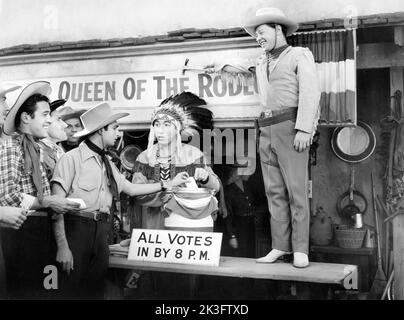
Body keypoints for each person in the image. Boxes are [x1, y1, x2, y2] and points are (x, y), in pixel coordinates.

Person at [205, 7, 320, 268]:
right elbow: (240, 68)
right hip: (265, 129)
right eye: (255, 34)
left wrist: (304, 128)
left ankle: (300, 249)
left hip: (290, 127)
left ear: (278, 29)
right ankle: (280, 246)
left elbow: (311, 92)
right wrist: (219, 66)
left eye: (262, 31)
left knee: (296, 192)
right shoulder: (261, 62)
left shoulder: (299, 55)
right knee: (274, 192)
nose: (258, 37)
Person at [51, 102, 189, 299]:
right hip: (77, 230)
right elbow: (56, 205)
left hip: (100, 232)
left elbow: (131, 189)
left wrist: (167, 184)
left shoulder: (106, 161)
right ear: (101, 130)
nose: (118, 133)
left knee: (95, 292)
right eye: (115, 128)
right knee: (72, 292)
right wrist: (63, 246)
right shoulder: (71, 159)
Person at [0, 81, 81, 299]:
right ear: (26, 118)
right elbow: (8, 197)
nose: (49, 120)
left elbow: (45, 195)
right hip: (18, 235)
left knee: (45, 291)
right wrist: (46, 202)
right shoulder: (10, 146)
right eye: (45, 115)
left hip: (39, 234)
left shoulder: (36, 148)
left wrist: (50, 202)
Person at [132, 91, 220, 232]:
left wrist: (206, 178)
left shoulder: (194, 154)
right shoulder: (145, 157)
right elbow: (137, 194)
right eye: (157, 124)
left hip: (185, 223)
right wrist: (169, 192)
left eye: (167, 124)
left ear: (179, 127)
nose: (160, 130)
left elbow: (216, 186)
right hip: (155, 224)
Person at [222, 166, 256, 258]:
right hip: (238, 225)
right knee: (241, 253)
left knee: (251, 252)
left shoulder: (248, 185)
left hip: (251, 224)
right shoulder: (228, 190)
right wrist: (232, 236)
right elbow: (228, 214)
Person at [38, 99, 69, 180]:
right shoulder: (40, 153)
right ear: (46, 122)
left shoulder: (56, 150)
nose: (65, 125)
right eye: (58, 119)